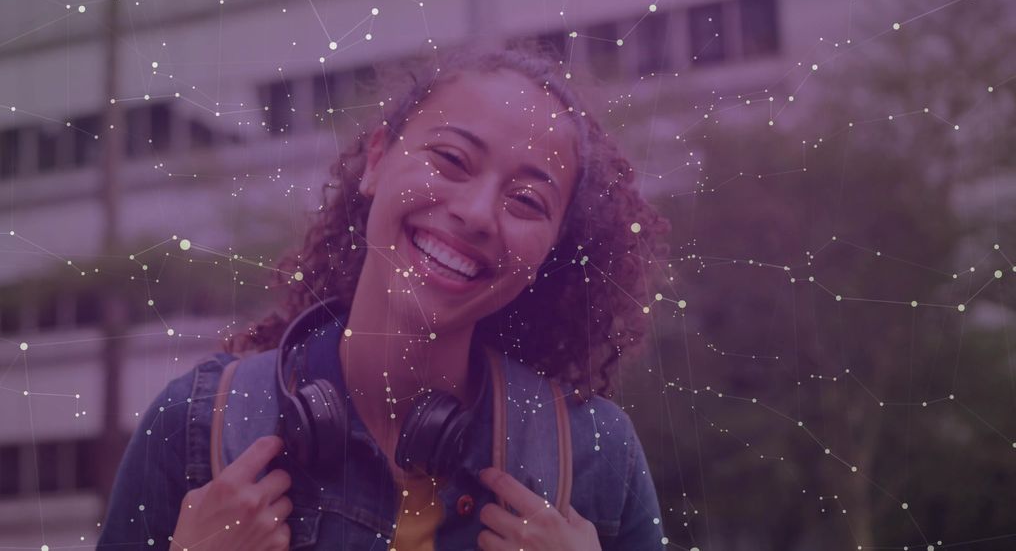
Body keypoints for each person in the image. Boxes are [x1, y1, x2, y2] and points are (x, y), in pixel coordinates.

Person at [98, 45, 671, 550]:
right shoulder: (196, 426)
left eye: (526, 201)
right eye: (450, 160)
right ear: (377, 159)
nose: (475, 213)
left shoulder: (598, 458)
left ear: (549, 251)